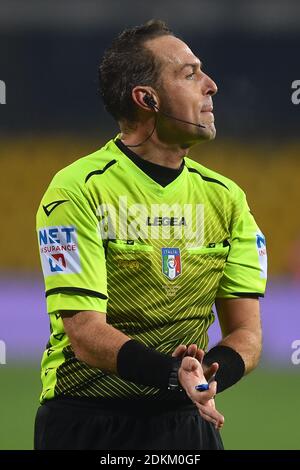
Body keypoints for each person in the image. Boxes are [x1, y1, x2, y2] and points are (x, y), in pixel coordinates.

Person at [34, 20, 267, 450]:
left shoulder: (227, 199)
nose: (211, 85)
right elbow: (85, 333)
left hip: (187, 425)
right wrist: (170, 374)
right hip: (86, 421)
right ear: (147, 99)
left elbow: (247, 333)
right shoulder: (77, 190)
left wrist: (205, 378)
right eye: (190, 73)